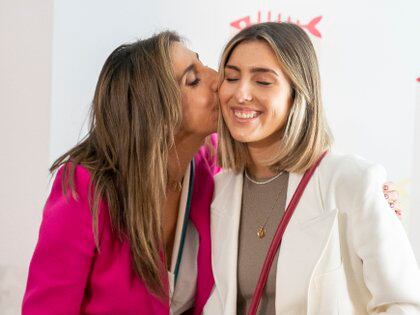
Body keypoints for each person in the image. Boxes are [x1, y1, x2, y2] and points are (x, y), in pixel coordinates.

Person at [204, 22, 420, 314]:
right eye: (231, 77)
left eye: (263, 82)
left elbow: (404, 302)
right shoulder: (217, 191)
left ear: (298, 92)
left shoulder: (352, 182)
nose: (241, 93)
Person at [22, 31, 219, 315]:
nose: (218, 79)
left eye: (202, 64)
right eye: (193, 80)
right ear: (156, 112)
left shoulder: (209, 168)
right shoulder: (87, 186)